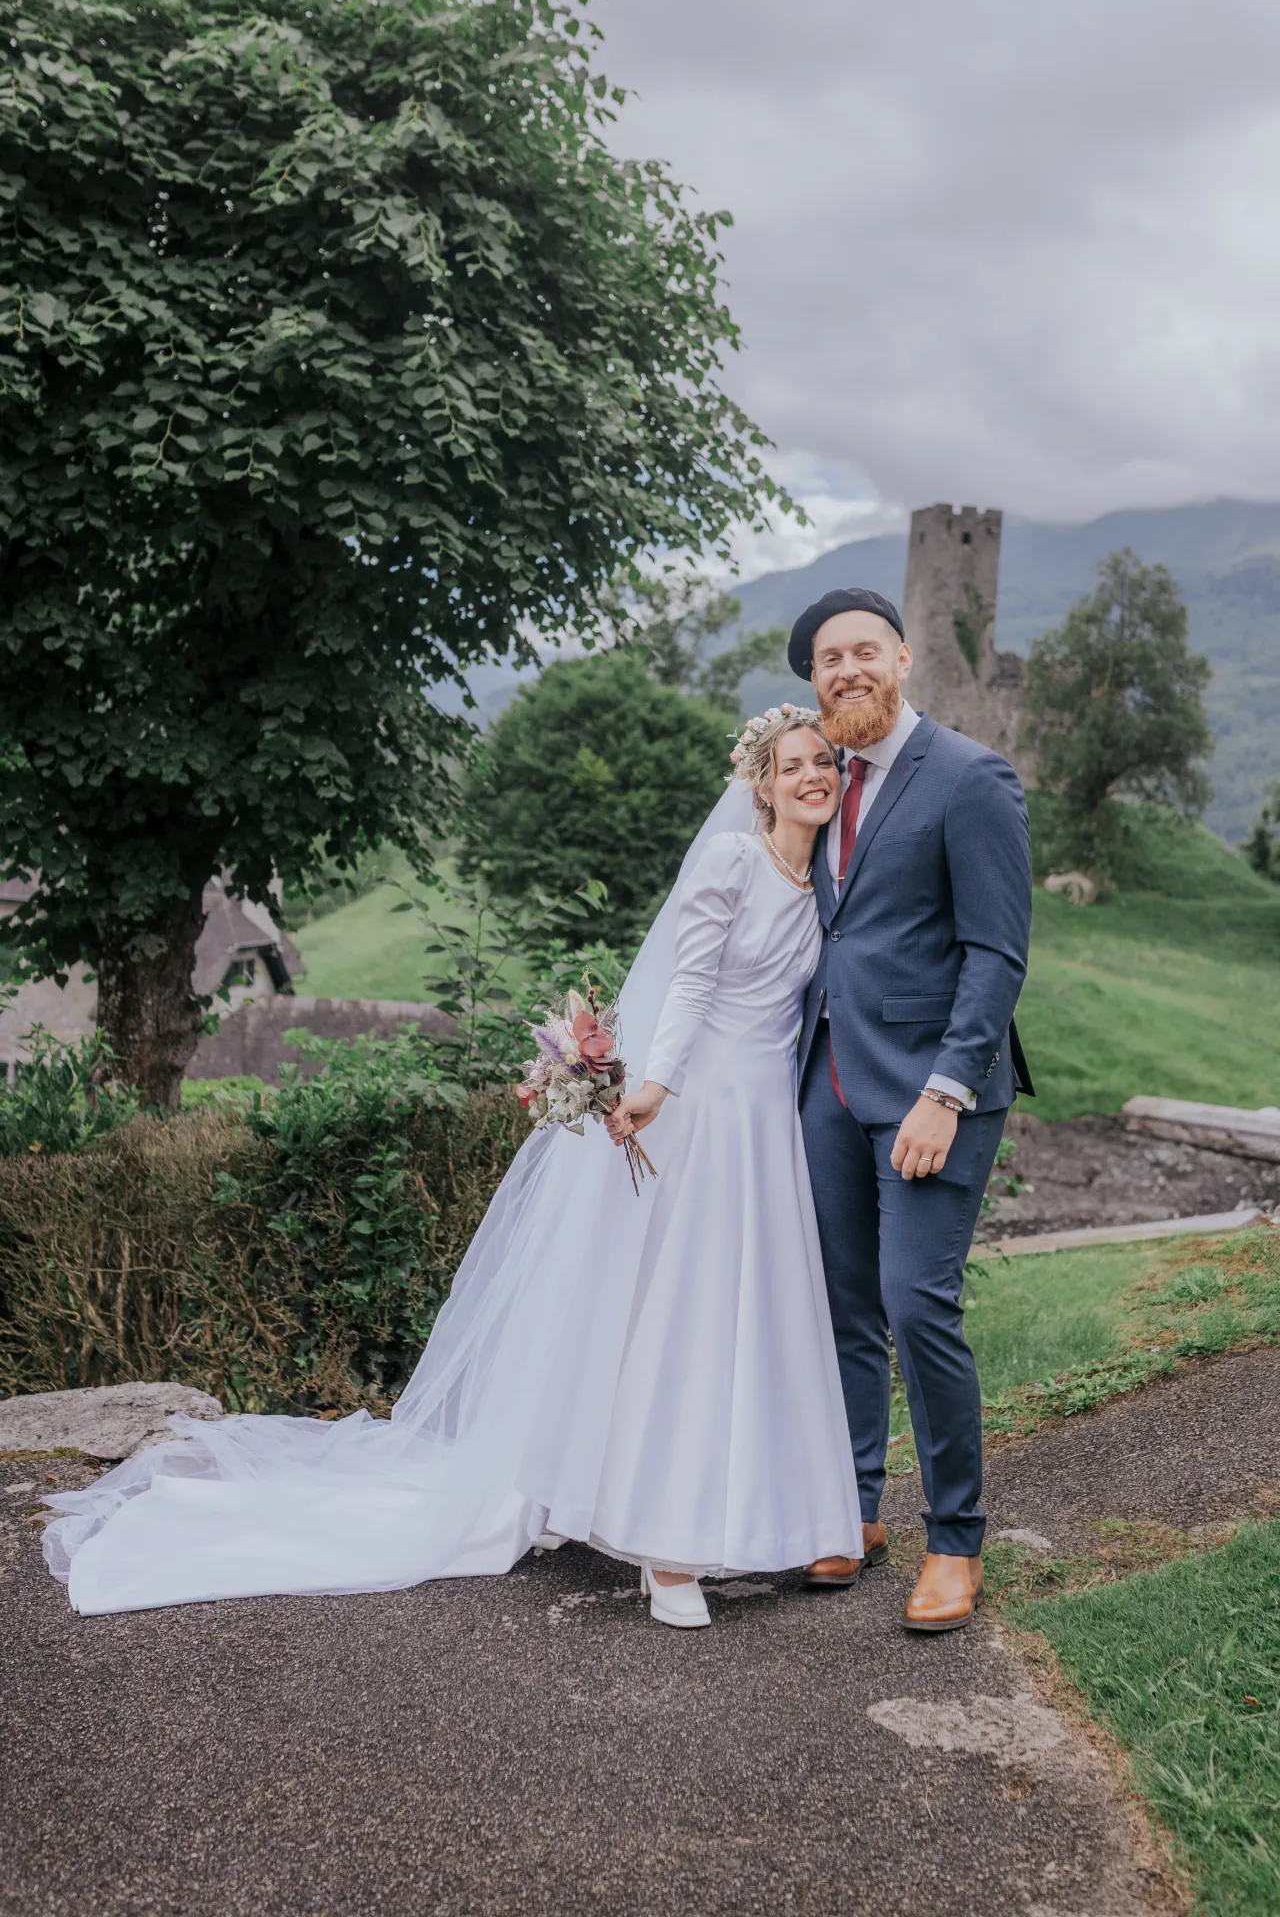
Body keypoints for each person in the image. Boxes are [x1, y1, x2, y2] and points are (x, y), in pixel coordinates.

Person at [43, 712, 864, 1629]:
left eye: (823, 764)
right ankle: (667, 1551)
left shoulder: (826, 875)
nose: (812, 778)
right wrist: (657, 1089)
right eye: (793, 766)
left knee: (755, 1317)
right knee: (684, 1317)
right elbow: (691, 984)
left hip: (767, 1125)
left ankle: (763, 1513)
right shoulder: (732, 863)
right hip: (701, 1111)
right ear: (760, 783)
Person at [789, 587, 1033, 1632]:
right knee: (839, 1307)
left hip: (932, 1092)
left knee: (914, 1305)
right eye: (825, 659)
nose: (843, 669)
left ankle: (953, 1540)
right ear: (813, 680)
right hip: (826, 1086)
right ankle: (851, 1510)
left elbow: (995, 954)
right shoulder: (813, 780)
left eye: (861, 651)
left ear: (900, 660)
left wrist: (945, 1090)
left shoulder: (969, 778)